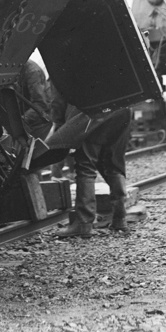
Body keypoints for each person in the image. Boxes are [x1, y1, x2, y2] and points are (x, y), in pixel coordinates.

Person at [45, 86, 133, 238]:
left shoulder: (65, 62)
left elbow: (58, 99)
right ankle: (120, 219)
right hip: (123, 107)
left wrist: (61, 129)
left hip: (93, 108)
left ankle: (83, 223)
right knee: (114, 163)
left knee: (86, 166)